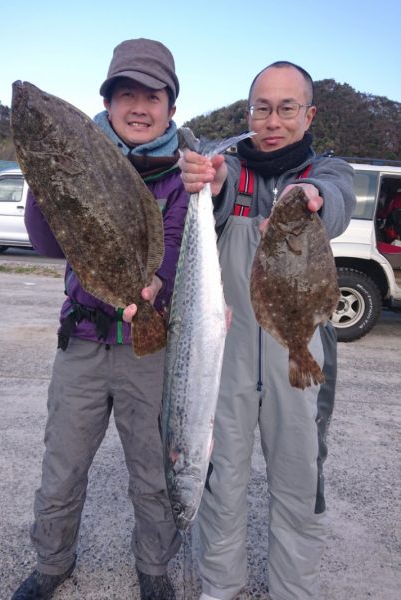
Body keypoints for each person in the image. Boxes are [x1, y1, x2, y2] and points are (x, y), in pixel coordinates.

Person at [11, 38, 188, 600]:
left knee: (155, 474)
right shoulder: (73, 153)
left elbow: (177, 249)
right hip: (82, 340)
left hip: (150, 346)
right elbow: (44, 244)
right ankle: (52, 562)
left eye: (152, 96)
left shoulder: (184, 174)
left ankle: (154, 571)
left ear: (171, 106)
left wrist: (153, 288)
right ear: (108, 103)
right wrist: (46, 180)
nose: (139, 107)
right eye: (126, 94)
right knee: (61, 468)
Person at [179, 61, 356, 600]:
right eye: (262, 107)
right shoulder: (228, 166)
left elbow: (337, 200)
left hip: (295, 357)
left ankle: (292, 591)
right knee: (220, 482)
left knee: (300, 484)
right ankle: (220, 587)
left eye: (286, 108)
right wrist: (209, 183)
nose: (272, 120)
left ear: (309, 114)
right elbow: (209, 185)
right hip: (224, 356)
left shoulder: (330, 169)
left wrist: (308, 203)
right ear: (247, 110)